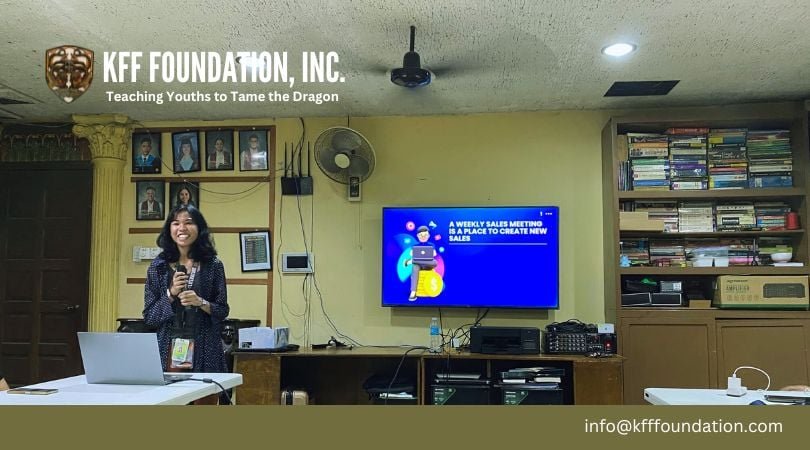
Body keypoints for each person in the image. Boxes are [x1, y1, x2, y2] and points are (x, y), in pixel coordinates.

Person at [142, 205, 229, 384]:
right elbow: (150, 317)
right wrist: (171, 293)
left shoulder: (213, 265)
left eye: (188, 223)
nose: (182, 228)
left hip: (205, 346)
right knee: (170, 399)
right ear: (169, 229)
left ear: (199, 228)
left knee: (205, 398)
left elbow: (222, 311)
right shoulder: (157, 267)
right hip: (167, 346)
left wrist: (200, 302)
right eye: (176, 223)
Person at [404, 225, 437, 301]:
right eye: (421, 235)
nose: (423, 237)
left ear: (428, 236)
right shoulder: (415, 246)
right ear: (417, 236)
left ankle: (410, 261)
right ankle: (413, 292)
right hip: (418, 265)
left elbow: (434, 254)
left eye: (425, 235)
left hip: (428, 264)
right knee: (415, 267)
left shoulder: (431, 245)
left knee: (435, 262)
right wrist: (417, 253)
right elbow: (411, 254)